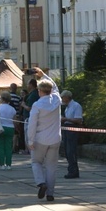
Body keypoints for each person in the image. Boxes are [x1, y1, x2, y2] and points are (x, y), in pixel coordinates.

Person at [27, 69, 61, 202]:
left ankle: (41, 183)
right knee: (51, 166)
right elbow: (56, 87)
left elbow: (32, 124)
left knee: (36, 162)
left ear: (40, 91)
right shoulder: (57, 99)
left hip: (40, 138)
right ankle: (50, 194)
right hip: (55, 138)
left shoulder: (37, 105)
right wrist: (43, 75)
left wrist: (30, 140)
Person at [61, 90, 84, 179]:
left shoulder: (76, 106)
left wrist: (66, 119)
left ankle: (74, 171)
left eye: (63, 97)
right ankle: (71, 169)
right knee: (67, 151)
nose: (62, 99)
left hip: (72, 129)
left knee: (71, 150)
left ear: (67, 97)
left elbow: (79, 120)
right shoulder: (67, 107)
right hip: (66, 128)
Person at [0, 92, 17, 170]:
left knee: (0, 146)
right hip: (10, 128)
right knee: (8, 147)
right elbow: (14, 120)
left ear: (2, 99)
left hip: (0, 128)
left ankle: (2, 164)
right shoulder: (12, 109)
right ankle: (9, 164)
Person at [19, 79, 39, 154]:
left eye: (28, 84)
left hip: (29, 118)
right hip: (27, 118)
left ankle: (32, 153)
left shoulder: (33, 95)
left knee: (29, 137)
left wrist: (23, 105)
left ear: (31, 85)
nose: (27, 86)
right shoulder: (31, 94)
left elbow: (31, 108)